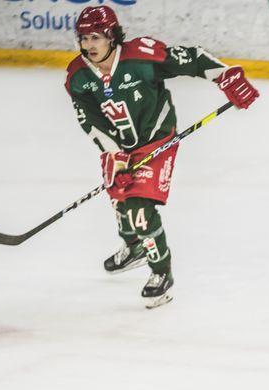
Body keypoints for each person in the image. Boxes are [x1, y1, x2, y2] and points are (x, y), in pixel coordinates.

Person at [65, 6, 258, 308]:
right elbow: (90, 120)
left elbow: (192, 58)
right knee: (120, 202)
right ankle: (134, 248)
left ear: (112, 37)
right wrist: (115, 155)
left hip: (156, 140)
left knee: (139, 210)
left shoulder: (141, 57)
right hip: (117, 147)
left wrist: (225, 75)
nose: (89, 45)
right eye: (84, 38)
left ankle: (161, 273)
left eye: (95, 37)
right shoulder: (78, 77)